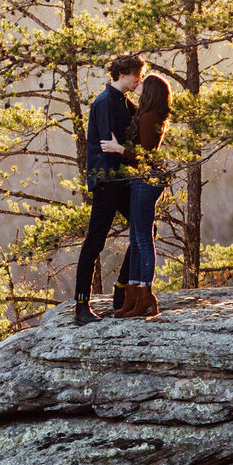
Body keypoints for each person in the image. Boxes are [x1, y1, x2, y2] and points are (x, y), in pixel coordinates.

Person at [72, 53, 145, 324]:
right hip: (106, 181)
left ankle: (121, 293)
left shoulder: (125, 102)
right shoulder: (105, 103)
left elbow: (138, 137)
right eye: (137, 74)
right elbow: (109, 147)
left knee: (145, 230)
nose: (139, 78)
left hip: (121, 180)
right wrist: (129, 153)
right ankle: (81, 306)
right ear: (123, 73)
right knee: (95, 241)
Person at [112, 74, 171, 318]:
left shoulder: (149, 117)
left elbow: (144, 156)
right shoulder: (149, 114)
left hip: (146, 180)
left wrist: (119, 150)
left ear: (151, 91)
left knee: (143, 239)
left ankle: (144, 297)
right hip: (143, 180)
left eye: (143, 83)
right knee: (136, 239)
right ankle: (134, 296)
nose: (138, 84)